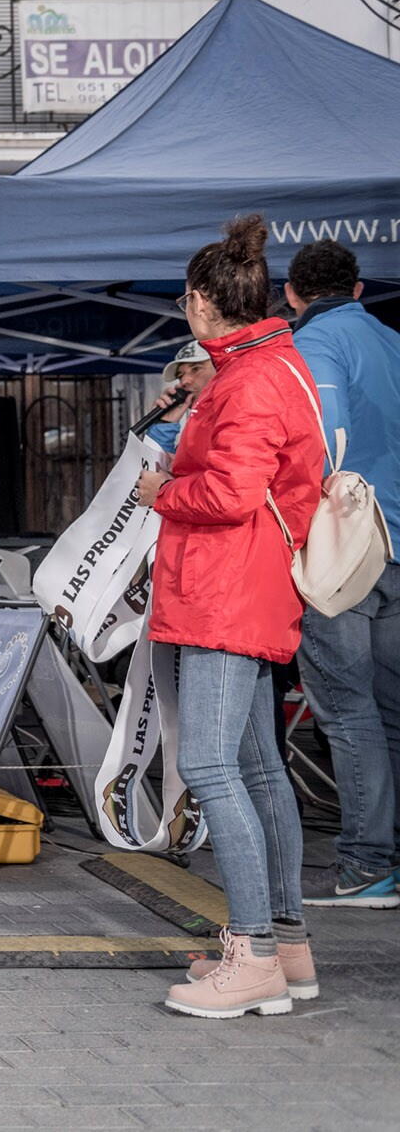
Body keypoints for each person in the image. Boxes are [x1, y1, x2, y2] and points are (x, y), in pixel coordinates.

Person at [136, 215, 324, 1019]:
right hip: (249, 593)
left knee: (213, 767)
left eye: (187, 298)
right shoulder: (269, 367)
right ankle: (284, 946)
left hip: (224, 595)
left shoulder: (249, 382)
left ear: (202, 303)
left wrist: (160, 492)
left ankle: (249, 953)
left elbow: (229, 494)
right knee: (256, 770)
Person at [284, 239, 400, 909]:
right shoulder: (388, 338)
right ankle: (385, 857)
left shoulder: (316, 341)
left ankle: (365, 865)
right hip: (399, 543)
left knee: (347, 706)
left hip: (351, 547)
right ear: (357, 288)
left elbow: (329, 438)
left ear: (293, 295)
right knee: (389, 707)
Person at [144, 340, 216, 456]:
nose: (184, 381)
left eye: (196, 369)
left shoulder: (240, 413)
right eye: (180, 375)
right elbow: (153, 467)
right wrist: (164, 425)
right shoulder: (198, 427)